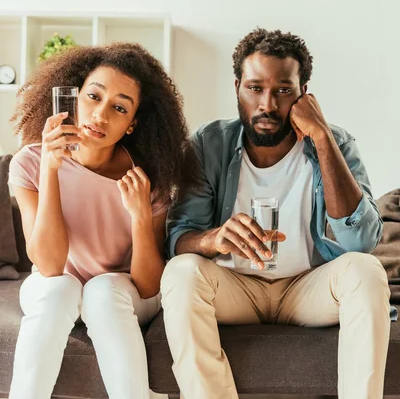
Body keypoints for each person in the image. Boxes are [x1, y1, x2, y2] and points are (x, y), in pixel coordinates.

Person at [161, 28, 391, 399]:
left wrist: (322, 138)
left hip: (307, 287)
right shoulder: (209, 143)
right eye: (254, 88)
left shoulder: (336, 142)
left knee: (366, 271)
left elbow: (360, 242)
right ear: (237, 87)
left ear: (304, 94)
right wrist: (214, 238)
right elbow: (178, 238)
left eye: (283, 90)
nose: (267, 104)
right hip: (237, 287)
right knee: (181, 272)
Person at [8, 42, 198, 399]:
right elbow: (48, 265)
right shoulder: (30, 162)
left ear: (131, 124)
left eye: (119, 107)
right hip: (55, 285)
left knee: (102, 290)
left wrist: (141, 216)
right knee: (61, 287)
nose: (100, 115)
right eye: (94, 97)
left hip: (119, 292)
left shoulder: (145, 179)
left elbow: (146, 286)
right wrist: (51, 169)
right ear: (75, 97)